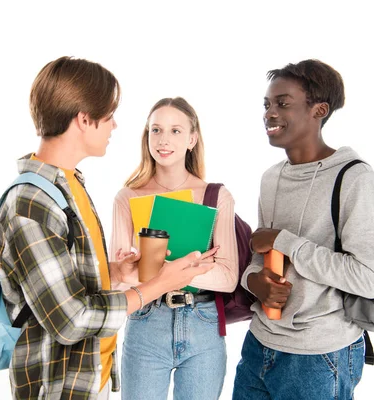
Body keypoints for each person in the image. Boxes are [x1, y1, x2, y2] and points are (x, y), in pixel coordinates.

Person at [0, 57, 216, 400]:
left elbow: (65, 280)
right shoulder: (31, 204)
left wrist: (112, 270)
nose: (114, 126)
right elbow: (71, 320)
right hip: (59, 389)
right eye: (109, 115)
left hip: (89, 381)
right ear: (84, 120)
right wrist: (158, 285)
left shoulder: (69, 185)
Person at [232, 60, 374, 400]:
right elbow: (260, 254)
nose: (269, 113)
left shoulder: (355, 179)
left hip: (320, 356)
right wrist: (253, 281)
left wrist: (284, 240)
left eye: (282, 103)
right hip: (258, 344)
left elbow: (369, 278)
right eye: (267, 105)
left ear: (319, 110)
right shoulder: (271, 177)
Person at [110, 97, 239, 400]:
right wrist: (191, 268)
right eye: (156, 130)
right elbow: (116, 280)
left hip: (203, 322)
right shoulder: (127, 197)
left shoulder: (216, 196)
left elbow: (228, 277)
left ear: (192, 139)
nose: (163, 140)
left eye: (175, 131)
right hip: (145, 321)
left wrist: (152, 271)